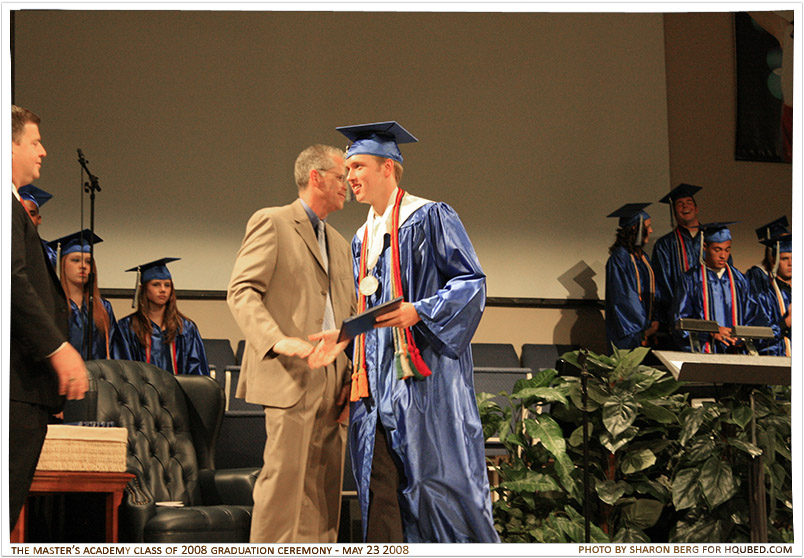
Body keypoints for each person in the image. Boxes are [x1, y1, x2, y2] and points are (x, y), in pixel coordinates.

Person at [333, 121, 498, 543]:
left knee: (437, 485)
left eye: (358, 166)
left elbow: (471, 283)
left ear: (388, 167)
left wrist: (419, 311)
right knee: (380, 483)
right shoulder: (361, 237)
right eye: (348, 168)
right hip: (374, 380)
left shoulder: (430, 217)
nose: (349, 177)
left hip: (424, 376)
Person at [226, 144, 356, 543]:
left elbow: (346, 310)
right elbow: (241, 291)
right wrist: (280, 342)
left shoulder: (340, 241)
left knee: (324, 485)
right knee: (285, 485)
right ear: (315, 176)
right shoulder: (273, 221)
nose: (348, 185)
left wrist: (351, 368)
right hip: (291, 370)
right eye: (340, 176)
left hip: (333, 374)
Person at [10, 105, 88, 530]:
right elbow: (14, 282)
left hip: (26, 386)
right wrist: (57, 349)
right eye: (35, 142)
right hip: (15, 384)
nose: (43, 151)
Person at [672, 222, 774, 353]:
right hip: (705, 350)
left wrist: (742, 336)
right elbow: (681, 320)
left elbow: (754, 315)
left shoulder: (739, 279)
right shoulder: (690, 279)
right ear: (705, 247)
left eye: (727, 249)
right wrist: (711, 331)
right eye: (717, 249)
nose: (723, 256)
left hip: (736, 351)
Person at [118, 258, 209, 375]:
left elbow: (197, 371)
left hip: (178, 391)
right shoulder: (127, 327)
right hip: (142, 392)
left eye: (167, 285)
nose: (163, 290)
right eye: (156, 284)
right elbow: (124, 369)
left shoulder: (185, 328)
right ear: (143, 289)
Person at [49, 230, 130, 360]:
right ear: (61, 265)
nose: (83, 266)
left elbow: (116, 351)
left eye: (88, 262)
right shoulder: (53, 304)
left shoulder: (103, 307)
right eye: (75, 260)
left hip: (98, 376)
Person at [605, 203, 659, 350]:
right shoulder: (620, 258)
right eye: (648, 227)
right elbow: (625, 298)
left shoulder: (644, 258)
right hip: (629, 335)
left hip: (647, 331)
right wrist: (643, 330)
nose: (651, 230)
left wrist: (655, 320)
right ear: (636, 228)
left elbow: (654, 291)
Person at [746, 217, 791, 356]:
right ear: (774, 260)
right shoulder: (764, 296)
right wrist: (786, 322)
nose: (791, 263)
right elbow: (759, 336)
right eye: (785, 259)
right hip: (777, 360)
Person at [18, 184, 58, 269]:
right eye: (22, 213)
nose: (27, 218)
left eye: (32, 214)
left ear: (39, 219)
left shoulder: (50, 252)